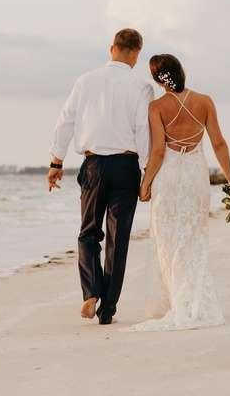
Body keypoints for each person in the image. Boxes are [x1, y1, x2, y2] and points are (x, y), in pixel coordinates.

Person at [128, 53, 230, 331]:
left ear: (158, 80)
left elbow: (157, 151)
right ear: (181, 72)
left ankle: (175, 302)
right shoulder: (204, 101)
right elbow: (218, 143)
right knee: (193, 238)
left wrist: (145, 184)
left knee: (167, 240)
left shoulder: (156, 107)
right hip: (194, 176)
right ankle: (191, 301)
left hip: (168, 176)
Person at [47, 28, 154, 325]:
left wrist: (56, 162)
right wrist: (147, 175)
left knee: (88, 232)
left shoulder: (85, 81)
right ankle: (108, 310)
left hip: (93, 165)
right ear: (136, 53)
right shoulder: (141, 87)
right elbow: (143, 133)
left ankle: (90, 292)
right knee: (118, 241)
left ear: (112, 48)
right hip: (125, 167)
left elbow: (65, 121)